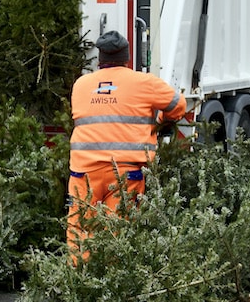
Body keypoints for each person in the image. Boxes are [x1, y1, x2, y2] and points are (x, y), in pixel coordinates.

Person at [67, 30, 187, 259]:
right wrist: (159, 121)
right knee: (117, 228)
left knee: (80, 227)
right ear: (127, 58)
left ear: (100, 59)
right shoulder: (144, 82)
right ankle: (113, 283)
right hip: (125, 172)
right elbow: (178, 105)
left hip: (84, 172)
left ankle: (79, 281)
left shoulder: (81, 84)